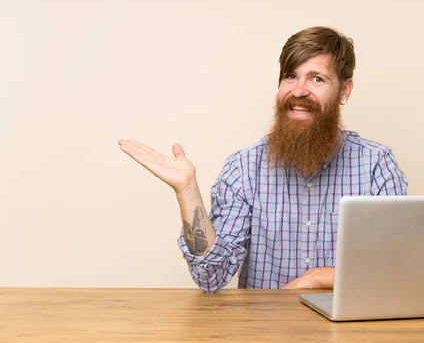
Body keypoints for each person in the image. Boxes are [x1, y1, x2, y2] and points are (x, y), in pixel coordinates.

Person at [118, 26, 408, 293]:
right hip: (262, 330)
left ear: (344, 90)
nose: (298, 91)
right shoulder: (244, 168)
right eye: (290, 76)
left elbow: (394, 269)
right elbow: (210, 276)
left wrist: (316, 278)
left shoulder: (376, 166)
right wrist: (187, 191)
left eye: (317, 79)